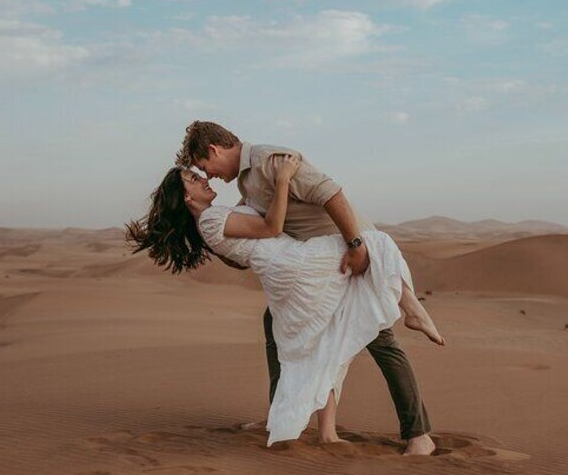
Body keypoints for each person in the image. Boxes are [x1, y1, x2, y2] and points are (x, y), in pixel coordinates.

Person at [126, 161, 444, 447]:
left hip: (285, 274)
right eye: (194, 179)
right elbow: (271, 227)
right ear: (186, 197)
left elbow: (248, 220)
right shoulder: (209, 219)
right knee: (375, 242)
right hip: (295, 267)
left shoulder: (212, 218)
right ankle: (413, 309)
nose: (204, 179)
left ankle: (315, 430)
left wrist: (251, 182)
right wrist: (284, 179)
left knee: (321, 343)